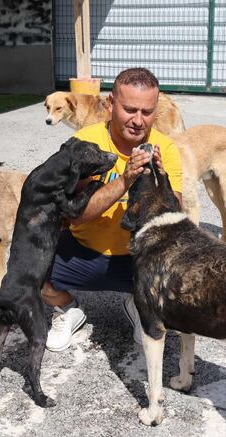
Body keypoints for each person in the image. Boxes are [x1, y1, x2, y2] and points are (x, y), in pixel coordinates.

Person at [41, 68, 184, 352]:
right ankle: (69, 309)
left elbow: (174, 220)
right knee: (30, 272)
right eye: (130, 109)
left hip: (137, 258)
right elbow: (75, 213)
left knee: (182, 276)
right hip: (84, 251)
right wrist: (126, 180)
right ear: (110, 104)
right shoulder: (84, 143)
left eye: (147, 112)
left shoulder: (165, 147)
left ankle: (139, 303)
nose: (138, 120)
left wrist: (161, 183)